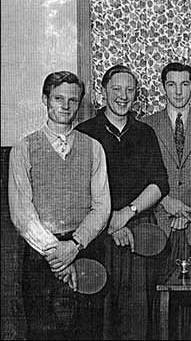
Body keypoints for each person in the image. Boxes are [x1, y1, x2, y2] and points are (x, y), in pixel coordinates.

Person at [8, 71, 111, 340]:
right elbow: (21, 213)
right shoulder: (24, 148)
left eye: (73, 100)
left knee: (88, 332)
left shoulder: (94, 148)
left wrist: (75, 246)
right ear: (45, 100)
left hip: (86, 250)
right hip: (41, 258)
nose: (66, 106)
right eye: (58, 98)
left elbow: (102, 206)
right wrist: (58, 256)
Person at [77, 65, 170, 340]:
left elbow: (159, 184)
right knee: (99, 322)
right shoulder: (85, 133)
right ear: (103, 91)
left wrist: (127, 214)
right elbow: (80, 192)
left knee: (139, 321)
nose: (123, 96)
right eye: (116, 89)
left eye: (130, 90)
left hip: (139, 236)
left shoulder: (145, 132)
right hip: (97, 237)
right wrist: (109, 223)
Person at [141, 62, 191, 339]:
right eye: (172, 84)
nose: (178, 91)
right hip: (160, 224)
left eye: (184, 84)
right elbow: (141, 177)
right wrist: (165, 202)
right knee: (160, 303)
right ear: (163, 87)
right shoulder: (146, 125)